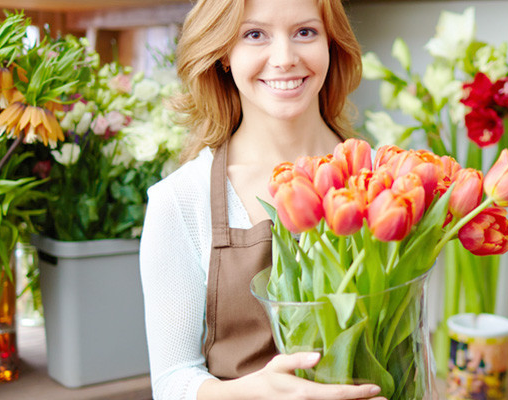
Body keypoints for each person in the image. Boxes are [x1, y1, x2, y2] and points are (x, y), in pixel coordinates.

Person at [139, 0, 384, 399]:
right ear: (223, 55)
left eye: (305, 32)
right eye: (255, 35)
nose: (285, 59)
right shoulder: (183, 200)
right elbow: (172, 382)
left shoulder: (385, 180)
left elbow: (415, 335)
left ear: (331, 45)